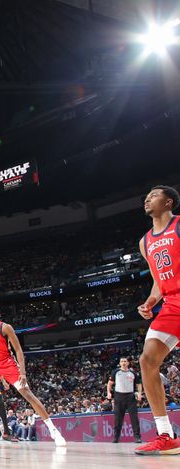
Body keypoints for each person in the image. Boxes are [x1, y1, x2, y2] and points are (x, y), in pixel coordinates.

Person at [0, 304, 66, 446]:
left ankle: (54, 431)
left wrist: (23, 373)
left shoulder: (5, 327)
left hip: (7, 364)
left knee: (27, 394)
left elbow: (18, 350)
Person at [135, 185, 180, 455]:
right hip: (172, 305)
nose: (147, 198)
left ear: (169, 202)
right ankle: (166, 435)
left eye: (153, 194)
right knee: (147, 360)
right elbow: (157, 281)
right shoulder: (145, 242)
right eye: (146, 195)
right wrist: (151, 301)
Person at [107, 357, 143, 443]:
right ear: (119, 362)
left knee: (134, 418)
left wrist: (139, 393)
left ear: (128, 363)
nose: (123, 362)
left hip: (130, 396)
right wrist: (108, 392)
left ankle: (137, 437)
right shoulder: (115, 372)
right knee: (118, 419)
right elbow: (110, 383)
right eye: (122, 361)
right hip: (119, 396)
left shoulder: (133, 373)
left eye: (125, 361)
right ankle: (116, 438)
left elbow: (138, 384)